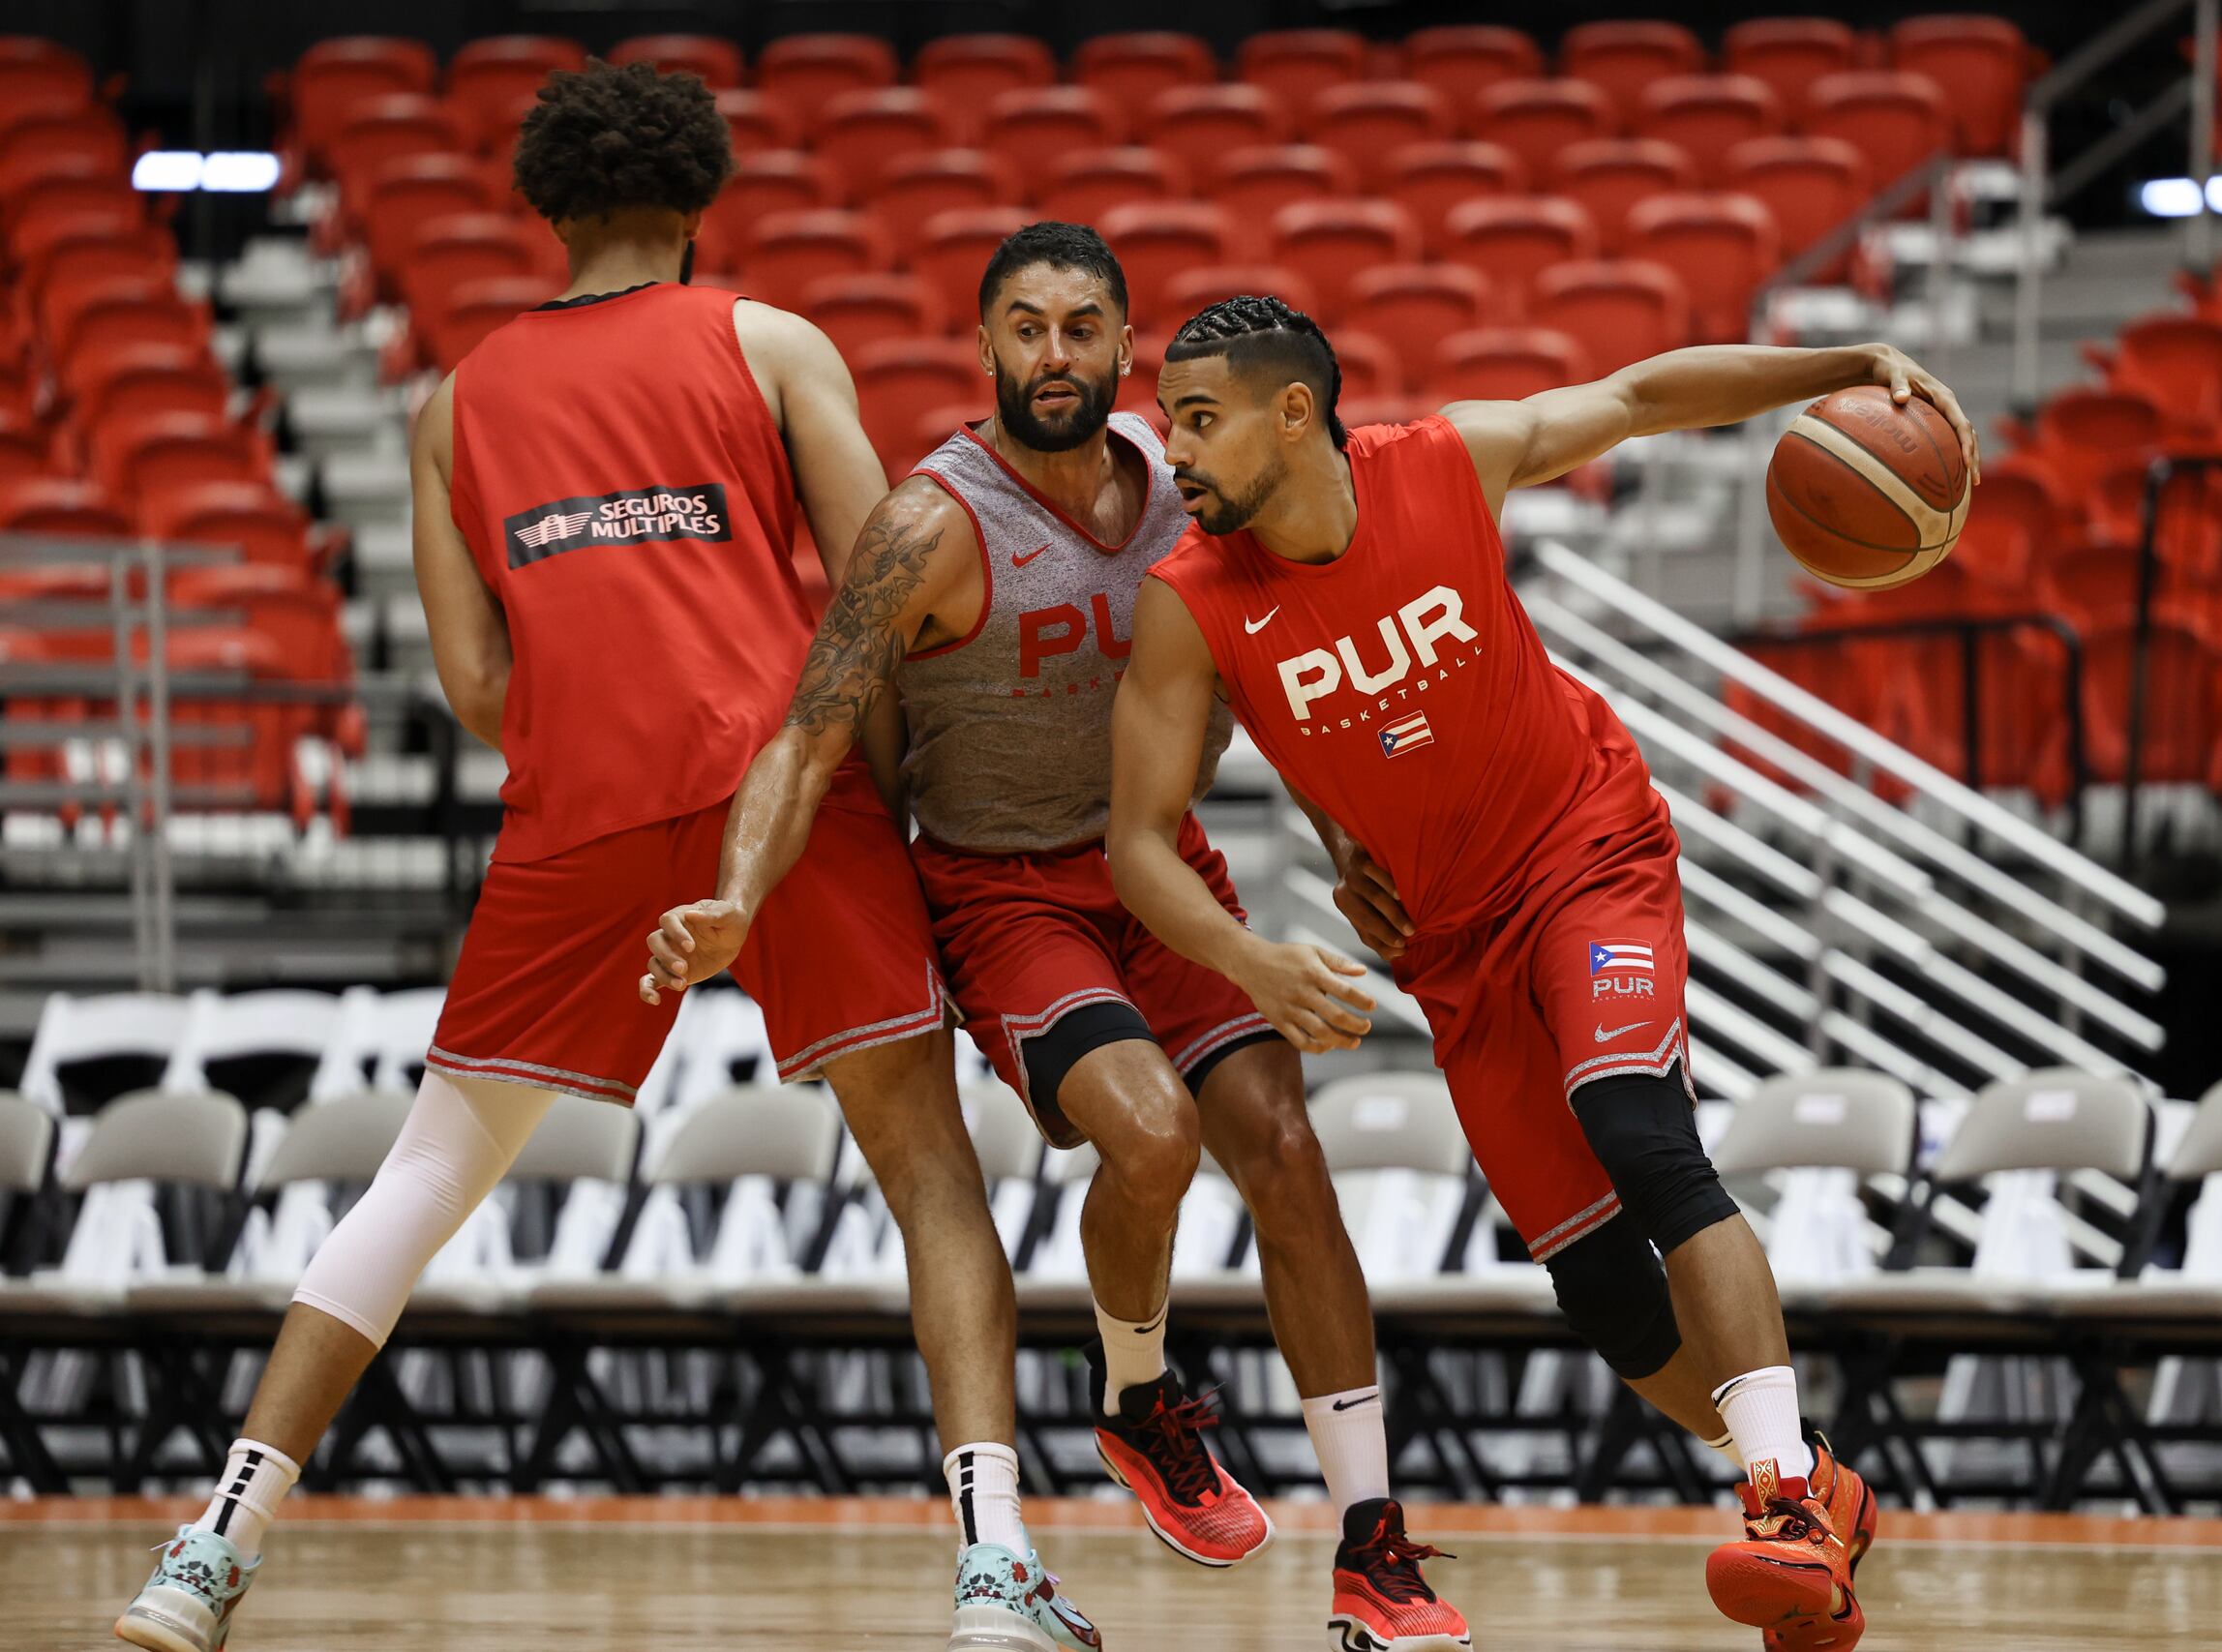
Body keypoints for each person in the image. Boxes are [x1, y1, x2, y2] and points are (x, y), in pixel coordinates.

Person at [113, 63, 1096, 1652]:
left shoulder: (455, 403)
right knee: (928, 1177)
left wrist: (601, 750)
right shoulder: (769, 342)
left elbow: (479, 687)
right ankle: (995, 1574)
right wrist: (887, 802)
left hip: (578, 809)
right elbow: (882, 594)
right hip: (789, 790)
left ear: (546, 210)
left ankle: (209, 1550)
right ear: (698, 204)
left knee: (423, 1178)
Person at [641, 224, 1472, 1652]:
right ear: (983, 348)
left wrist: (1346, 851)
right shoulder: (928, 524)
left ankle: (1373, 1546)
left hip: (1166, 865)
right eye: (1025, 328)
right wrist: (736, 898)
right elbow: (805, 733)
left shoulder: (1194, 486)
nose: (1053, 356)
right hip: (1006, 890)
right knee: (1148, 1136)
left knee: (1282, 1142)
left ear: (1127, 345)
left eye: (1082, 328)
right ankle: (1140, 1392)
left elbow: (1278, 673)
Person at [1108, 295, 1982, 1652]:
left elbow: (1640, 397)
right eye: (1173, 425)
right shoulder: (1191, 605)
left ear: (1296, 413)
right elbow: (1135, 843)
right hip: (1451, 949)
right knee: (1610, 1302)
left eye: (1202, 421)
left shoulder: (1447, 463)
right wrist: (1252, 958)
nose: (1180, 453)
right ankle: (1813, 1477)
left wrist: (1851, 361)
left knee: (1635, 1120)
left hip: (1586, 849)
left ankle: (1777, 1505)